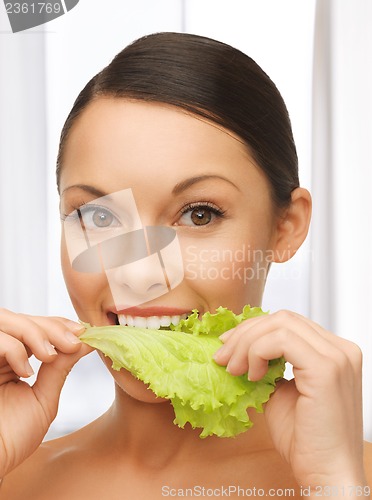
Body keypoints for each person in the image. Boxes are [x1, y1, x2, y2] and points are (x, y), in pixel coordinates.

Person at [0, 32, 371, 499]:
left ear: (286, 227)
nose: (138, 274)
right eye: (98, 216)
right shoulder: (13, 476)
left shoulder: (353, 479)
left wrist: (336, 485)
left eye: (199, 214)